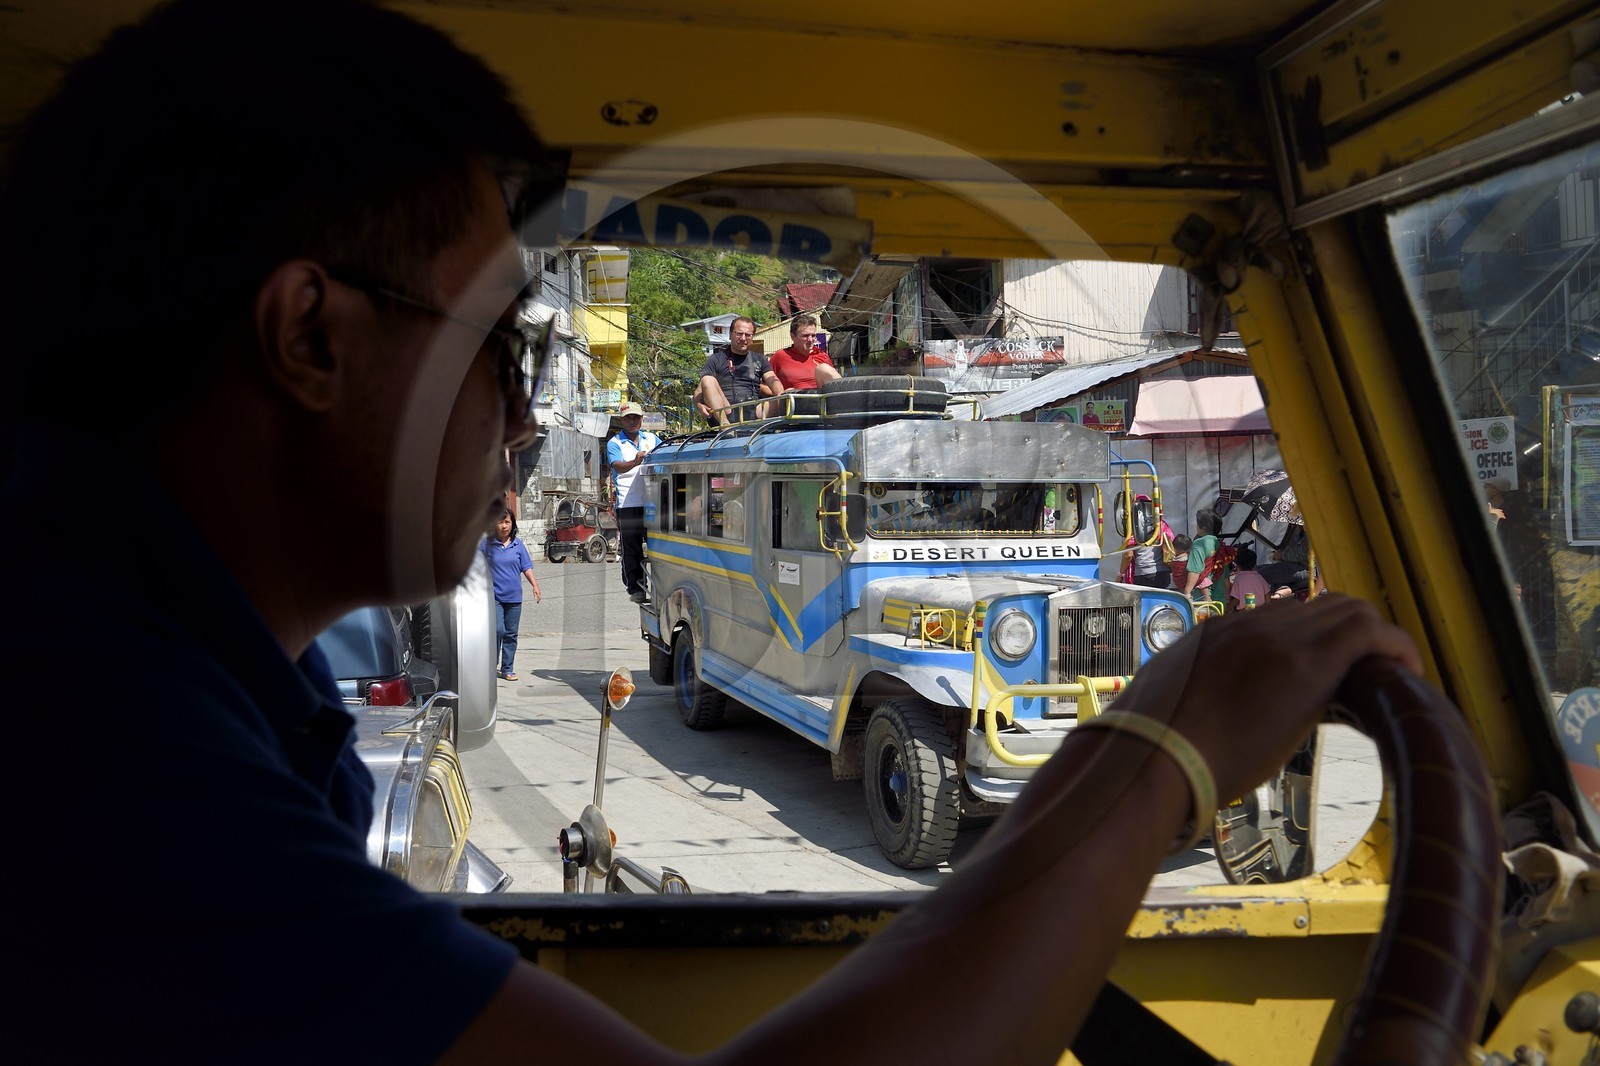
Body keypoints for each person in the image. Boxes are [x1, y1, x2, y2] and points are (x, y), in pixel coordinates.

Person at [0, 3, 1426, 1063]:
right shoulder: (84, 743)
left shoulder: (188, 678)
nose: (519, 416)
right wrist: (1150, 754)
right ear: (309, 333)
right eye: (501, 344)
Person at [606, 402, 659, 603]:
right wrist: (636, 462)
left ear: (641, 419)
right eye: (628, 417)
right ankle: (636, 588)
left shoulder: (652, 438)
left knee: (658, 547)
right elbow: (617, 466)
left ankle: (660, 586)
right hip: (628, 505)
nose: (633, 421)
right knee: (632, 549)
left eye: (636, 417)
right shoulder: (614, 443)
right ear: (622, 420)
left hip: (653, 503)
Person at [485, 507, 540, 680]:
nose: (503, 526)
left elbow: (527, 567)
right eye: (500, 522)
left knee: (511, 633)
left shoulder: (518, 545)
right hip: (493, 596)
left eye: (507, 522)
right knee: (497, 630)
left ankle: (507, 669)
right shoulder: (486, 544)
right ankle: (490, 664)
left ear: (512, 524)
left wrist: (535, 586)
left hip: (514, 597)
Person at [697, 316, 781, 424]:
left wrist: (780, 394)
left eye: (748, 335)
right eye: (739, 334)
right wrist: (699, 405)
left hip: (754, 410)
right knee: (707, 379)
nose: (743, 338)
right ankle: (726, 427)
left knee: (787, 394)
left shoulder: (760, 359)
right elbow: (699, 391)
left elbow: (773, 380)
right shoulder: (716, 359)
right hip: (725, 410)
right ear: (730, 335)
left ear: (752, 337)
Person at [768, 315, 841, 393]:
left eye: (813, 336)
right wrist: (782, 395)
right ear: (793, 336)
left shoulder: (823, 356)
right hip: (795, 401)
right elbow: (763, 386)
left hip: (822, 401)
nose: (810, 340)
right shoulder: (780, 356)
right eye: (805, 336)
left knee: (824, 368)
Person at [1118, 495, 1174, 588]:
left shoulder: (1134, 529)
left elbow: (1128, 555)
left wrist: (1120, 575)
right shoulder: (1161, 525)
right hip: (1163, 573)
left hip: (1143, 574)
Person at [1183, 509, 1226, 606]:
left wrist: (1187, 592)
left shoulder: (1199, 543)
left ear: (1204, 526)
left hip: (1203, 602)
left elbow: (1195, 570)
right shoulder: (1220, 545)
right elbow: (1225, 576)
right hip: (1220, 601)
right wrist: (1227, 598)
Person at [1226, 546, 1272, 611]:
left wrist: (1227, 610)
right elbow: (1267, 594)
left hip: (1245, 612)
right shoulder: (1259, 577)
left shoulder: (1239, 579)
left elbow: (1236, 599)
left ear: (1238, 566)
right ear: (1255, 564)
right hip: (1260, 611)